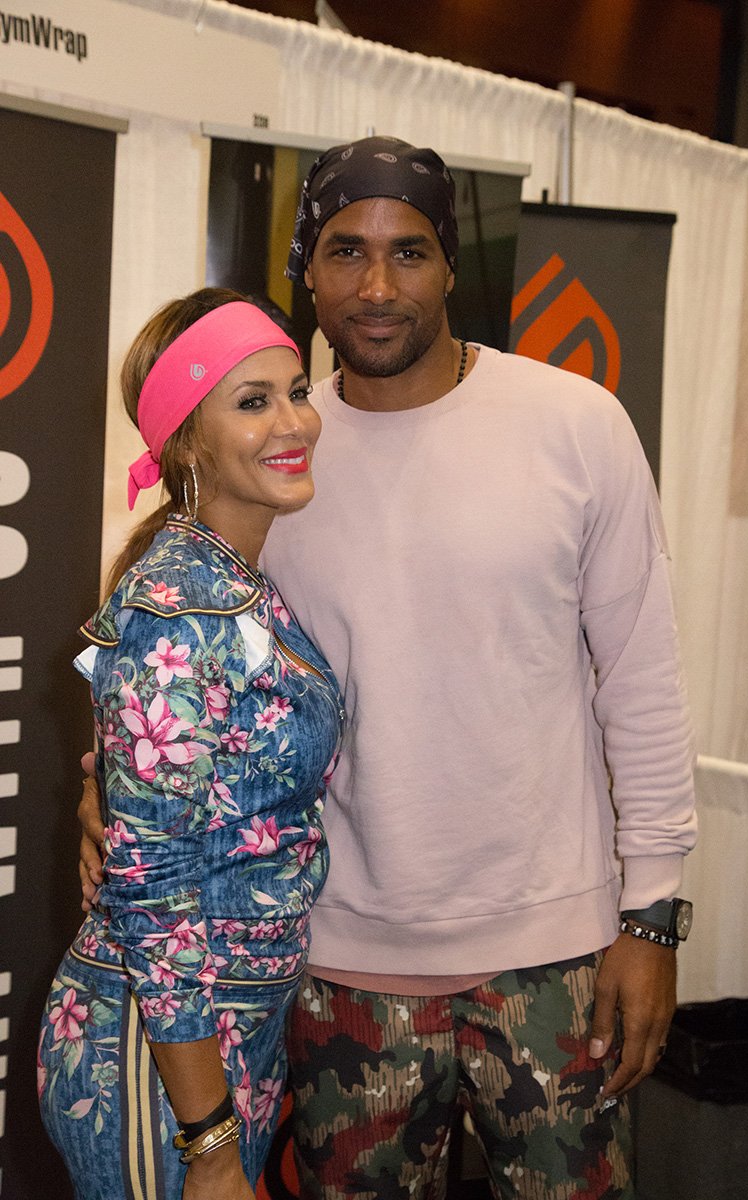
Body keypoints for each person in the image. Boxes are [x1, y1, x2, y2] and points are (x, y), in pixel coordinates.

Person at [81, 138, 697, 1200]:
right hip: (335, 972)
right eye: (343, 252)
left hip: (555, 959)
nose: (375, 285)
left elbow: (640, 681)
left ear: (451, 266)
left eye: (407, 251)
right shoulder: (279, 464)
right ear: (304, 274)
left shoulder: (574, 427)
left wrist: (651, 913)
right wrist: (109, 785)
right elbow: (192, 683)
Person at [42, 288, 343, 1200]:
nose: (295, 421)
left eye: (296, 389)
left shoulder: (237, 582)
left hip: (223, 1044)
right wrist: (209, 1140)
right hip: (157, 1056)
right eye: (252, 401)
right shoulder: (175, 608)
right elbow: (154, 888)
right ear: (187, 443)